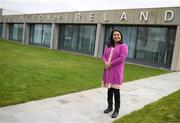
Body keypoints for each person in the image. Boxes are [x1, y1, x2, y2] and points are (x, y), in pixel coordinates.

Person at [102, 29, 128, 118]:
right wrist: (105, 62)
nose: (116, 36)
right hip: (108, 70)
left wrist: (110, 64)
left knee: (116, 91)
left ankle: (116, 110)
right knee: (109, 90)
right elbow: (104, 56)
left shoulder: (123, 46)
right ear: (112, 36)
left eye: (118, 34)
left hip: (116, 71)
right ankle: (110, 107)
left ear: (121, 36)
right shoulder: (109, 46)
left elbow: (122, 58)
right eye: (114, 35)